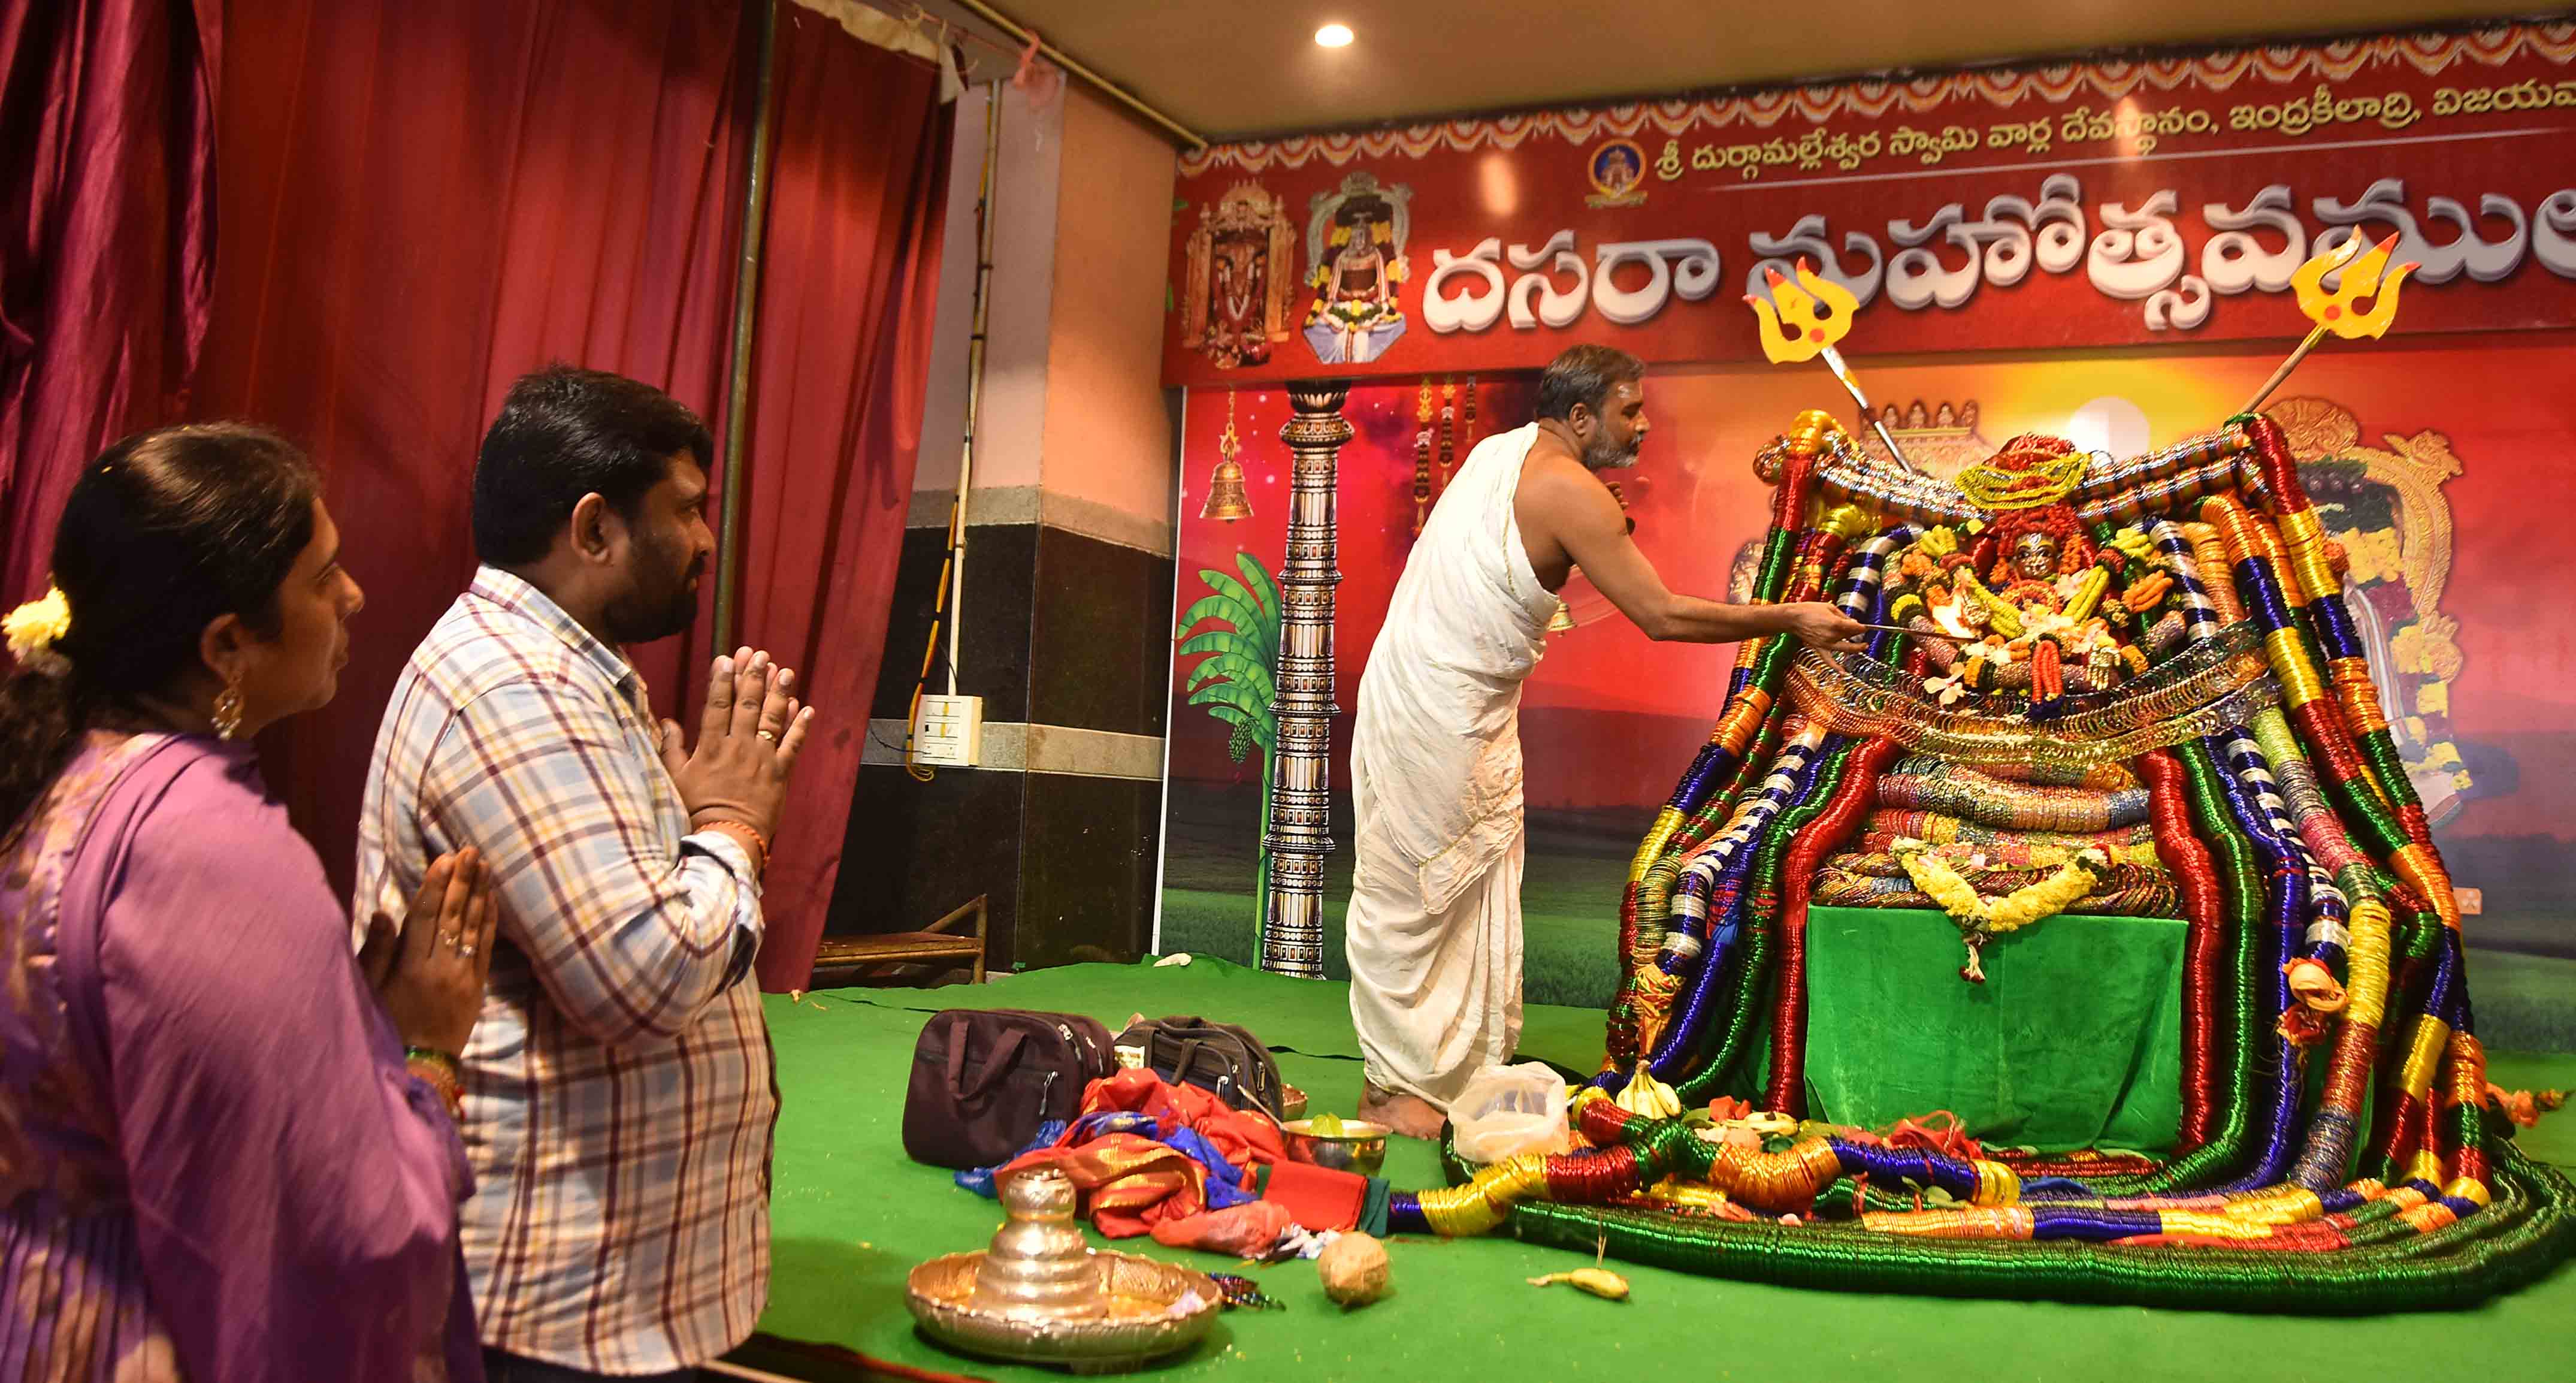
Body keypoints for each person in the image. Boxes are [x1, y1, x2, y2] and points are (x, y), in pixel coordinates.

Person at [0, 424, 497, 1381]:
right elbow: (340, 1240)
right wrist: (427, 1057)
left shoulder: (60, 773)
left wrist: (339, 1032)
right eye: (323, 577)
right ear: (228, 645)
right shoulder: (205, 851)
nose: (354, 596)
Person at [355, 366, 815, 1382]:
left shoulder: (574, 674)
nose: (704, 541)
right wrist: (733, 825)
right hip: (560, 1310)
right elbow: (643, 976)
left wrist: (690, 827)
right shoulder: (512, 684)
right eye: (688, 511)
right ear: (595, 527)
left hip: (608, 1296)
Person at [1346, 345, 1864, 1139]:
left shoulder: (1502, 456)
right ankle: (1394, 1093)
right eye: (1629, 409)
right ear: (1580, 416)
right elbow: (1660, 616)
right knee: (1419, 892)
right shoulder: (1566, 489)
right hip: (1436, 712)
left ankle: (1441, 1080)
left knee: (1447, 888)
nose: (1643, 424)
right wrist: (1791, 618)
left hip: (1432, 701)